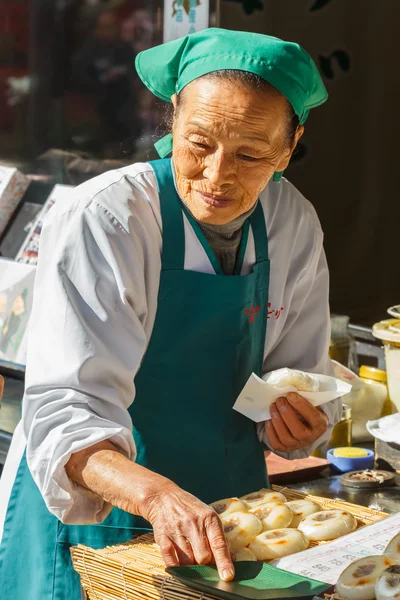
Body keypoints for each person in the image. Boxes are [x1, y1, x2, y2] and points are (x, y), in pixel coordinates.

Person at [0, 29, 341, 599]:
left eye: (251, 154)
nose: (217, 177)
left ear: (290, 146)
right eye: (199, 143)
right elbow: (65, 410)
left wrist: (296, 424)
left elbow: (293, 376)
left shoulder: (292, 222)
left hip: (232, 513)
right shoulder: (111, 216)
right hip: (100, 509)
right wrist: (156, 497)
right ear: (173, 117)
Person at [70, 10, 136, 141]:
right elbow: (78, 80)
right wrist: (103, 80)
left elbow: (136, 72)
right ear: (96, 29)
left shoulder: (125, 48)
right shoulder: (87, 52)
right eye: (105, 27)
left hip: (126, 109)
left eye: (113, 26)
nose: (111, 30)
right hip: (97, 109)